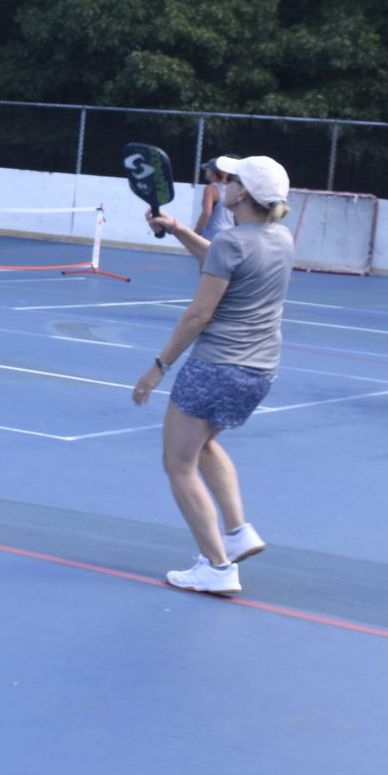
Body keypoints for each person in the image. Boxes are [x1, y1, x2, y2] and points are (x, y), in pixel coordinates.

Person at [131, 154, 292, 594]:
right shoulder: (280, 238)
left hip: (217, 367)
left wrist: (158, 367)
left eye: (231, 179)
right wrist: (180, 229)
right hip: (259, 371)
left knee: (178, 463)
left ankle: (218, 568)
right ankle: (238, 531)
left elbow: (199, 314)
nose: (224, 183)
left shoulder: (232, 242)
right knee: (204, 446)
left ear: (244, 193)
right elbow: (224, 260)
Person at [194, 160, 234, 240]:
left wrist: (195, 233)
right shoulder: (231, 189)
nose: (206, 172)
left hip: (213, 233)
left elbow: (206, 213)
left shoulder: (210, 189)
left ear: (212, 172)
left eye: (207, 169)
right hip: (230, 232)